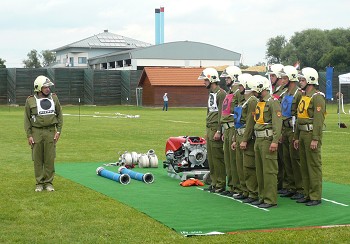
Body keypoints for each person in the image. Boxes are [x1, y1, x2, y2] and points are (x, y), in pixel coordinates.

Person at [24, 75, 63, 192]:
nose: (48, 89)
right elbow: (26, 119)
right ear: (38, 88)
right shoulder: (30, 100)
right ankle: (39, 183)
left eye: (48, 87)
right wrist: (29, 135)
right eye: (45, 87)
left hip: (51, 131)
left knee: (50, 158)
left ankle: (49, 183)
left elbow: (59, 115)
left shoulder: (54, 98)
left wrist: (59, 131)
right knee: (37, 159)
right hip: (36, 132)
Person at [294, 67, 325, 206]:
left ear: (310, 81)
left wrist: (315, 138)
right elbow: (298, 117)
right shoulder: (304, 96)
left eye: (302, 79)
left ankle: (315, 196)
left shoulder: (317, 97)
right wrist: (296, 136)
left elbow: (318, 120)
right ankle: (307, 193)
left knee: (313, 165)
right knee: (304, 166)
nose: (300, 82)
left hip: (310, 133)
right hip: (302, 133)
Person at [251, 75, 282, 208]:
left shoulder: (272, 102)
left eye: (255, 90)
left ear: (260, 88)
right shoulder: (261, 101)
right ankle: (262, 196)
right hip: (259, 139)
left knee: (269, 171)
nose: (253, 92)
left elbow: (277, 123)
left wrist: (275, 141)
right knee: (260, 170)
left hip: (267, 139)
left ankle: (270, 199)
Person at [198, 68, 226, 193]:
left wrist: (219, 130)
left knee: (218, 157)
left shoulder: (221, 93)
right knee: (211, 158)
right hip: (210, 128)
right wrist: (206, 129)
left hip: (216, 128)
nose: (204, 82)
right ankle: (214, 182)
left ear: (212, 79)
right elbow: (209, 111)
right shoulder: (212, 93)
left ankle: (220, 183)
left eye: (205, 80)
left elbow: (221, 113)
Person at [232, 73, 259, 202]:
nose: (239, 88)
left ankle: (252, 192)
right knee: (241, 165)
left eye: (241, 85)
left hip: (245, 136)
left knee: (249, 166)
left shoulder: (252, 101)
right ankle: (245, 190)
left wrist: (245, 139)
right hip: (239, 134)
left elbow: (250, 122)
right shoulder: (245, 100)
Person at [279, 66, 304, 200]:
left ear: (291, 79)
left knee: (296, 160)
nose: (282, 81)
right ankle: (290, 186)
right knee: (286, 159)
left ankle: (300, 188)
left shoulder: (298, 94)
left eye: (284, 78)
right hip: (285, 129)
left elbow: (300, 115)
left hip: (294, 129)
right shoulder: (284, 94)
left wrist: (297, 135)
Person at [219, 66, 242, 197]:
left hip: (233, 127)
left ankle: (237, 187)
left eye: (228, 77)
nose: (226, 80)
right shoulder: (229, 92)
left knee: (234, 160)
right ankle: (232, 185)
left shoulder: (237, 93)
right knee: (228, 160)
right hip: (226, 128)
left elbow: (237, 112)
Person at [267, 64, 288, 194]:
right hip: (276, 127)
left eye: (273, 75)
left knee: (285, 159)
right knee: (279, 159)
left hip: (283, 127)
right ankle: (280, 183)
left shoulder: (283, 92)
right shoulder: (275, 91)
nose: (271, 78)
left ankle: (286, 184)